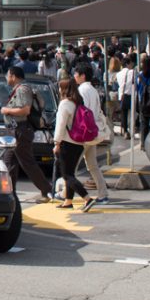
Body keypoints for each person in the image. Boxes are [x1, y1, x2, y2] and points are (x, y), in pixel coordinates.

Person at [0, 66, 54, 203]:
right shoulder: (18, 89)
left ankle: (47, 190)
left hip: (20, 130)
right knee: (9, 162)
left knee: (27, 162)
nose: (6, 78)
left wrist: (7, 110)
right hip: (14, 130)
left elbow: (25, 110)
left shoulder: (23, 89)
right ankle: (10, 194)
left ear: (13, 75)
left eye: (8, 75)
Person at [54, 78, 96, 212]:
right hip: (79, 142)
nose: (59, 90)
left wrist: (57, 143)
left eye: (60, 87)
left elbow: (60, 125)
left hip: (67, 142)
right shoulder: (78, 102)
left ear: (64, 89)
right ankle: (68, 201)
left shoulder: (65, 104)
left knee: (67, 175)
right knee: (70, 173)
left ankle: (87, 198)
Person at [73, 63, 110, 203]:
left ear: (82, 76)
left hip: (84, 133)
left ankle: (65, 193)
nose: (74, 76)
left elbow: (82, 112)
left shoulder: (82, 90)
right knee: (92, 165)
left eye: (76, 74)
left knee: (72, 166)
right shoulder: (93, 90)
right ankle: (103, 193)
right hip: (93, 132)